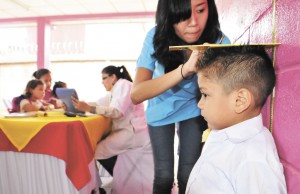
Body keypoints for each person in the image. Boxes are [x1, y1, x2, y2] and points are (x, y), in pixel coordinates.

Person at [130, 0, 230, 193]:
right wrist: (184, 70)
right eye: (182, 14)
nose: (193, 22)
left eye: (200, 10)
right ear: (168, 14)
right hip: (160, 107)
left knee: (188, 173)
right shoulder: (155, 36)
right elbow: (137, 94)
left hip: (193, 107)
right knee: (164, 175)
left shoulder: (219, 41)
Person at [185, 46, 287, 194]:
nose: (199, 104)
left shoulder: (253, 161)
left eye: (205, 94)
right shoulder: (223, 131)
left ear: (240, 100)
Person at [72, 65, 154, 194]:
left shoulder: (124, 85)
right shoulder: (116, 90)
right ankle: (118, 180)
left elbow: (116, 111)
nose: (102, 82)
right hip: (130, 132)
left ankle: (98, 188)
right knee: (99, 147)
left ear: (113, 77)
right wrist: (81, 105)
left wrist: (89, 108)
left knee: (96, 151)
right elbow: (99, 103)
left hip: (132, 133)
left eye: (104, 78)